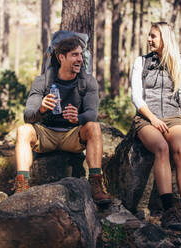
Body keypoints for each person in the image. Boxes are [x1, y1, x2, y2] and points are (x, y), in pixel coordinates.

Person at [14, 36, 111, 205]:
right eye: (74, 55)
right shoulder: (42, 81)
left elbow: (92, 113)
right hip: (46, 135)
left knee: (94, 127)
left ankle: (96, 182)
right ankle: (22, 184)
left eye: (81, 55)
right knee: (23, 130)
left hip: (72, 136)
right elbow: (28, 115)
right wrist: (41, 109)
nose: (80, 59)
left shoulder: (87, 81)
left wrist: (78, 117)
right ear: (61, 57)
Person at [130, 22, 181, 230]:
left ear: (165, 38)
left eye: (153, 36)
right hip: (146, 118)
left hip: (174, 117)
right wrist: (153, 119)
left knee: (180, 150)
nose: (149, 39)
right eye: (149, 35)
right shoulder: (141, 62)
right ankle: (169, 211)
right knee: (161, 148)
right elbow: (136, 97)